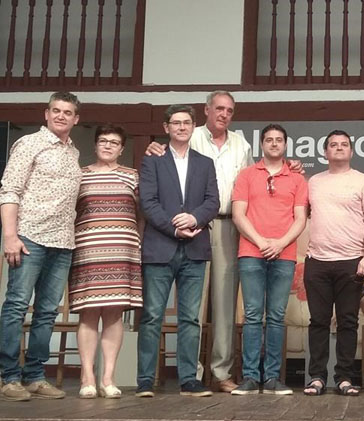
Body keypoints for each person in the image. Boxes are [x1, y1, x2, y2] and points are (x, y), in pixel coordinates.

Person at [146, 91, 252, 393]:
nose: (224, 114)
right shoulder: (190, 136)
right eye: (219, 108)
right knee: (192, 306)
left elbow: (254, 178)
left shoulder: (241, 144)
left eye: (229, 110)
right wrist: (155, 146)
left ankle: (220, 373)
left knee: (224, 303)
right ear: (206, 111)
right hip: (188, 228)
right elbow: (165, 157)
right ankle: (189, 373)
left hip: (229, 224)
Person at [0, 92, 83, 401]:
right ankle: (9, 377)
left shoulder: (73, 153)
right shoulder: (29, 144)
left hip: (62, 241)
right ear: (47, 114)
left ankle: (35, 375)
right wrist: (11, 236)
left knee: (47, 312)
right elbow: (9, 191)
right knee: (17, 305)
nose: (61, 116)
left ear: (76, 119)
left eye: (68, 112)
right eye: (56, 110)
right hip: (29, 238)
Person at [136, 105, 220, 398]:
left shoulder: (205, 163)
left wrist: (194, 218)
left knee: (189, 319)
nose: (182, 127)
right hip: (160, 247)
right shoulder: (152, 161)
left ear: (194, 127)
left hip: (195, 248)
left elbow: (213, 201)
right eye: (176, 123)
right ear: (166, 127)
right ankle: (146, 380)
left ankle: (188, 380)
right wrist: (174, 227)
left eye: (187, 123)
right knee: (151, 316)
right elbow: (147, 201)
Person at [302, 130, 364, 397]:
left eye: (344, 145)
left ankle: (345, 377)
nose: (338, 148)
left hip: (352, 262)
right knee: (318, 322)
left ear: (351, 151)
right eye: (333, 145)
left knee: (348, 322)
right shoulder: (312, 182)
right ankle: (317, 377)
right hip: (317, 262)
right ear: (325, 152)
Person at [230, 124, 309, 395]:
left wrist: (280, 243)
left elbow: (301, 218)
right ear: (261, 144)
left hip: (284, 253)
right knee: (252, 316)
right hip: (251, 252)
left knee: (276, 316)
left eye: (279, 140)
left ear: (285, 145)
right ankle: (251, 377)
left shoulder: (297, 178)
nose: (274, 144)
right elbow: (239, 215)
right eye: (269, 140)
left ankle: (273, 377)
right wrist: (262, 242)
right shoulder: (246, 175)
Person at [67, 124, 141, 400]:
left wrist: (137, 242)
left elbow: (141, 213)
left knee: (113, 313)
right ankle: (87, 376)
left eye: (114, 142)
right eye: (103, 141)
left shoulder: (132, 176)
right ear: (95, 145)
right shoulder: (79, 175)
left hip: (122, 248)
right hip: (87, 249)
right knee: (88, 313)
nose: (108, 145)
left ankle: (108, 377)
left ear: (122, 148)